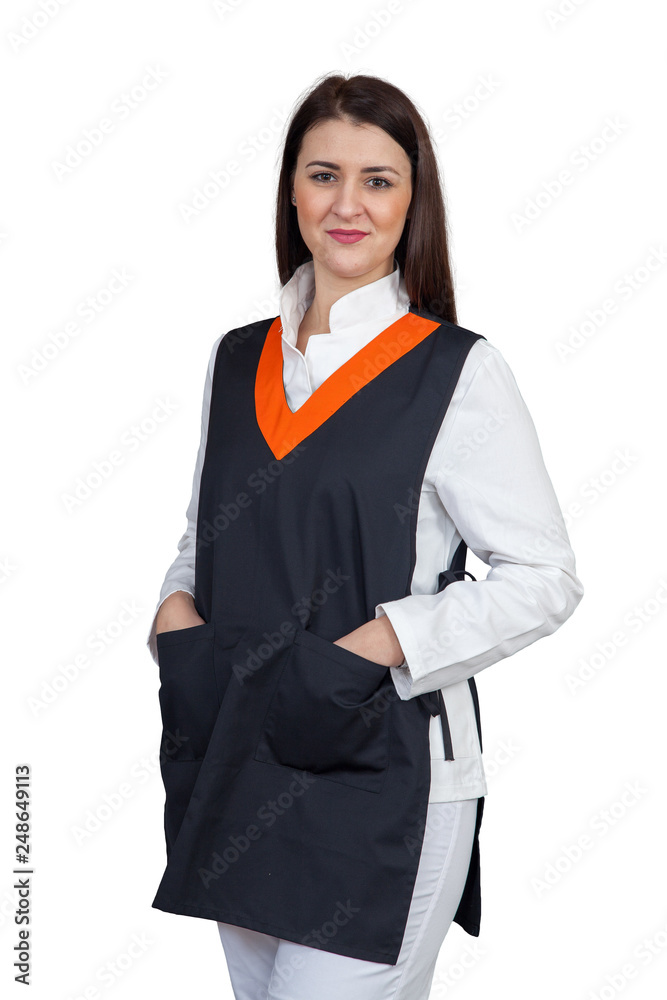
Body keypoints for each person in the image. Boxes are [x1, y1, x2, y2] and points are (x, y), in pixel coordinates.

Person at [146, 72, 584, 1000]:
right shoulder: (236, 358)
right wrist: (173, 614)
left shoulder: (456, 372)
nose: (347, 204)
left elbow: (543, 576)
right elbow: (208, 532)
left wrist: (383, 643)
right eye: (323, 175)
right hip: (235, 755)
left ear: (412, 202)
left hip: (385, 772)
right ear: (290, 191)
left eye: (377, 180)